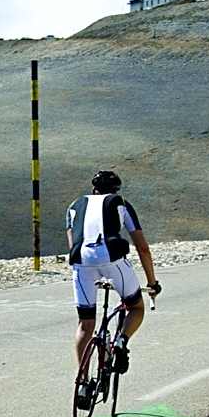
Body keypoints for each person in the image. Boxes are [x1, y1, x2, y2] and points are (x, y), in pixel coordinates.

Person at [66, 170, 161, 402]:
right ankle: (121, 341)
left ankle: (82, 383)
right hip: (112, 259)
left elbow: (73, 242)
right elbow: (142, 247)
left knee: (85, 323)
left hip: (80, 262)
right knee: (135, 306)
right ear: (116, 190)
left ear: (93, 189)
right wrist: (152, 282)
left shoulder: (74, 206)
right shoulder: (121, 204)